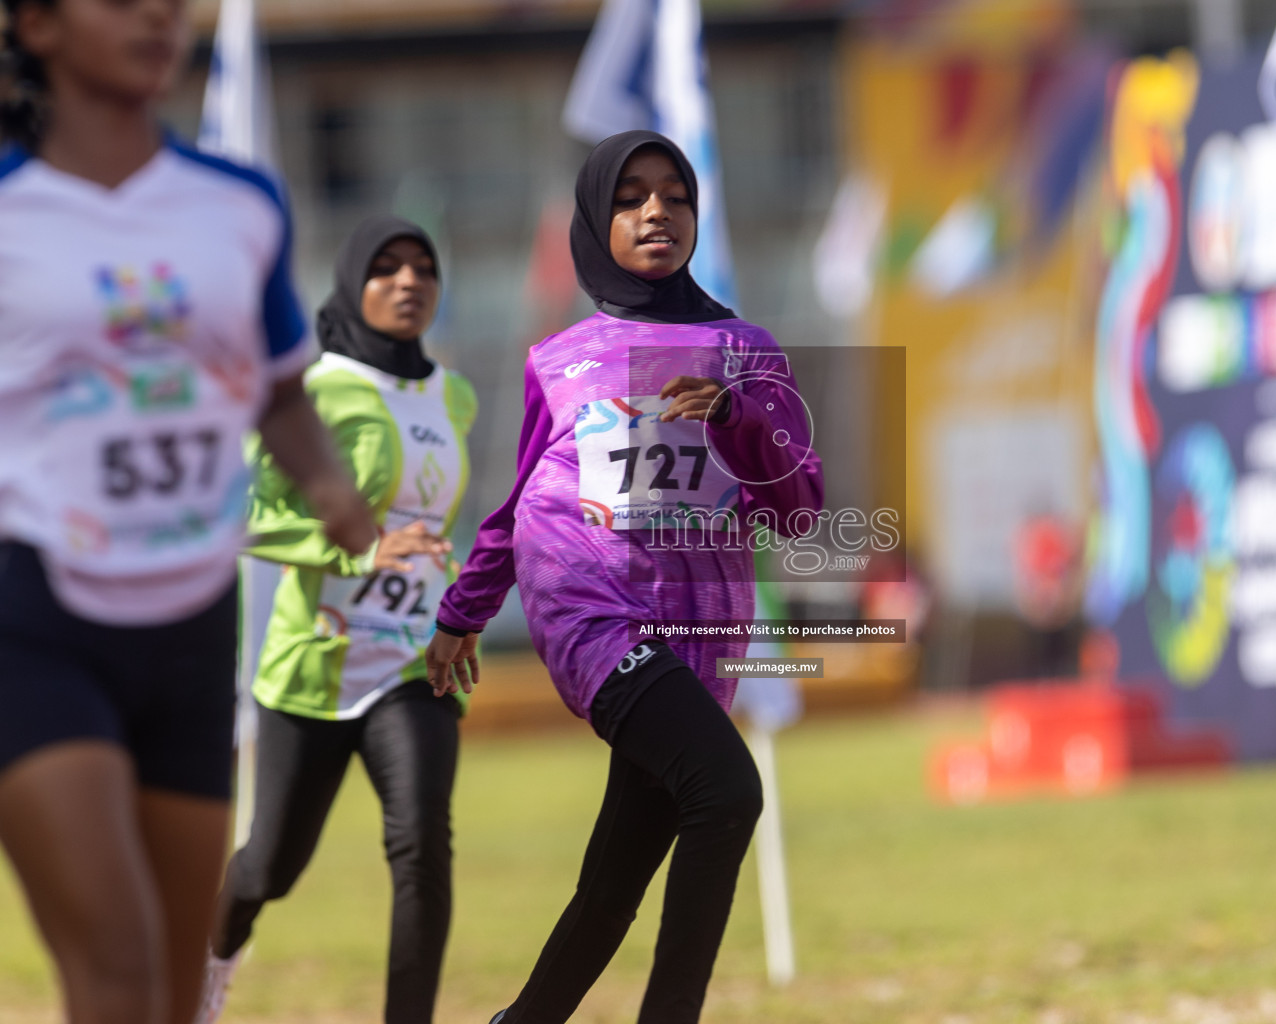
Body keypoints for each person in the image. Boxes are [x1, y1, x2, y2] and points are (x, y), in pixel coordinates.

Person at [0, 2, 375, 1023]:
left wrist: (332, 488)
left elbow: (279, 389)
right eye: (120, 0)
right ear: (37, 26)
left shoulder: (239, 203)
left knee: (175, 986)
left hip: (192, 621)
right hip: (33, 611)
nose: (159, 16)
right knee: (113, 959)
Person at [425, 129, 824, 1024]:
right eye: (631, 197)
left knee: (615, 881)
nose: (656, 213)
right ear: (594, 218)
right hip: (592, 614)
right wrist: (463, 611)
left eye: (674, 196)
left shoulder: (747, 349)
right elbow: (521, 500)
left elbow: (799, 508)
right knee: (724, 793)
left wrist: (733, 417)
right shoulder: (557, 359)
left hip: (698, 634)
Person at [199, 216, 477, 1024]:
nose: (407, 281)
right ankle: (211, 960)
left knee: (423, 845)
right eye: (385, 268)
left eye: (423, 266)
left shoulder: (452, 394)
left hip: (414, 662)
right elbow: (241, 510)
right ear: (352, 284)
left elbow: (432, 512)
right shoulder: (315, 389)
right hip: (315, 665)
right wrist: (362, 548)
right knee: (268, 870)